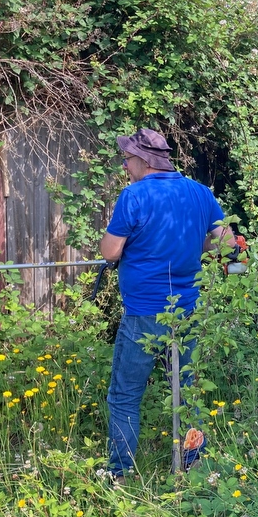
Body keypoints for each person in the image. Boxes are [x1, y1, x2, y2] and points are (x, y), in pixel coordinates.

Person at [99, 127, 232, 478]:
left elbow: (110, 252)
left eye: (127, 159)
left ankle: (119, 473)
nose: (125, 166)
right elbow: (228, 244)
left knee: (126, 394)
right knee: (188, 389)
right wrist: (195, 246)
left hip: (144, 311)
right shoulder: (201, 193)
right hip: (187, 311)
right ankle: (193, 465)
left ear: (143, 160)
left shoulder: (134, 196)